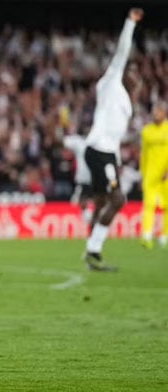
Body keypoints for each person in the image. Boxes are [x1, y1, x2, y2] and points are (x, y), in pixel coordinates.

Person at [82, 7, 143, 271]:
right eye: (133, 72)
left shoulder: (126, 103)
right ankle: (93, 250)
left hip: (107, 152)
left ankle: (90, 249)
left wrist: (131, 141)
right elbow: (121, 52)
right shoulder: (110, 82)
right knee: (118, 200)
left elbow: (117, 131)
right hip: (99, 150)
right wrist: (130, 23)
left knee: (102, 201)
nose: (136, 77)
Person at [139, 102, 168, 249]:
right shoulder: (146, 131)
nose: (156, 114)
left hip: (166, 175)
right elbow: (143, 154)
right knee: (149, 205)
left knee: (167, 206)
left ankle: (165, 236)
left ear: (164, 113)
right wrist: (142, 173)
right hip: (150, 174)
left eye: (159, 112)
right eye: (154, 112)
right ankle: (147, 236)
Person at [62, 133, 93, 225]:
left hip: (94, 179)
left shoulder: (99, 143)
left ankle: (88, 221)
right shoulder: (79, 142)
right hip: (83, 180)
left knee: (91, 201)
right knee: (76, 201)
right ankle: (83, 221)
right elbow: (64, 141)